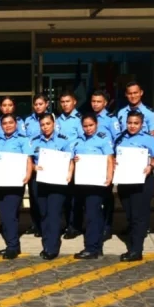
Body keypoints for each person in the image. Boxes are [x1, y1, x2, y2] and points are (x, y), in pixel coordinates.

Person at [114, 111, 154, 262]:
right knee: (129, 215)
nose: (132, 126)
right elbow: (114, 156)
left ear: (142, 124)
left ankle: (136, 250)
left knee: (138, 216)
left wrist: (151, 166)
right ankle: (133, 245)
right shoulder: (120, 138)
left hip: (142, 181)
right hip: (125, 181)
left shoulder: (148, 139)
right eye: (130, 123)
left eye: (136, 123)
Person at [30, 113, 74, 260]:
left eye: (48, 124)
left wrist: (69, 173)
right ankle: (46, 243)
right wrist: (34, 167)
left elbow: (70, 160)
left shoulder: (63, 141)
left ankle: (52, 248)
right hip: (40, 182)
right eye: (42, 125)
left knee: (54, 214)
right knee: (43, 214)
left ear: (53, 124)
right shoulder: (34, 141)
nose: (45, 127)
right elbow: (29, 160)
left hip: (57, 182)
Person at [0, 114, 33, 260]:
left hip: (15, 181)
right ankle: (12, 244)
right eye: (5, 123)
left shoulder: (23, 140)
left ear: (16, 124)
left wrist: (27, 175)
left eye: (10, 122)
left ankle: (13, 247)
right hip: (0, 181)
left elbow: (28, 159)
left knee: (11, 214)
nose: (8, 125)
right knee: (4, 215)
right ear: (1, 126)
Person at [72, 114, 115, 259]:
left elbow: (110, 159)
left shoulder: (103, 140)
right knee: (90, 215)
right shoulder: (78, 141)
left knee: (93, 215)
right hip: (82, 183)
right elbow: (72, 159)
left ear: (96, 124)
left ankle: (92, 248)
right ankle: (96, 247)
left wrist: (109, 177)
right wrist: (76, 158)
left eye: (91, 125)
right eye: (85, 126)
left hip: (97, 184)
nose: (88, 128)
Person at [89, 90, 120, 240]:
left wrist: (115, 159)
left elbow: (118, 139)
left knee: (106, 196)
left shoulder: (110, 119)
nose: (95, 104)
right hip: (90, 164)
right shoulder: (88, 118)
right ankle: (94, 225)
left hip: (106, 161)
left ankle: (107, 227)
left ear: (105, 103)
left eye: (98, 101)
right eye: (93, 101)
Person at [55, 90, 83, 240]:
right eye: (63, 102)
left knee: (74, 197)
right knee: (63, 196)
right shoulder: (58, 120)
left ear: (74, 102)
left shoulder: (79, 119)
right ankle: (65, 224)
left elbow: (81, 139)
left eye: (68, 101)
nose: (65, 104)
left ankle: (75, 226)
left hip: (75, 161)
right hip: (61, 161)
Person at [22, 93, 50, 237]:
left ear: (47, 104)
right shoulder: (27, 120)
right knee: (34, 197)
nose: (38, 106)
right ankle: (36, 225)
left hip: (50, 165)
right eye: (36, 104)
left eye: (41, 104)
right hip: (33, 162)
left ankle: (47, 225)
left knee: (47, 198)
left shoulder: (52, 119)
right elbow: (25, 141)